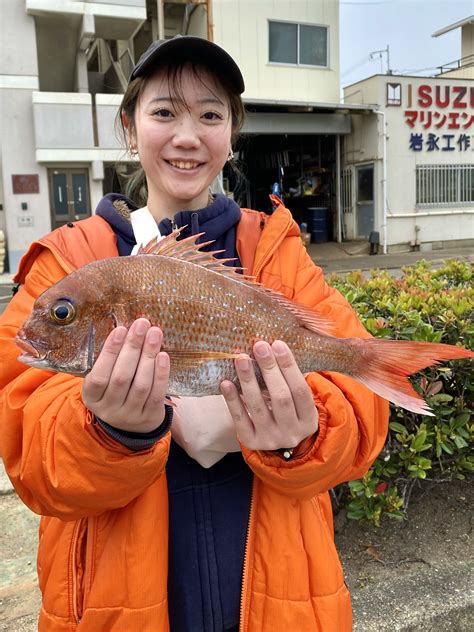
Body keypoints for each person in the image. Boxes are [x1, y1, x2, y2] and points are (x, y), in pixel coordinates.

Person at [0, 36, 388, 632]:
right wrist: (109, 431)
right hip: (121, 605)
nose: (187, 136)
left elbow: (359, 413)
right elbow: (29, 448)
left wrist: (303, 434)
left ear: (232, 132)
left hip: (278, 598)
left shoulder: (280, 255)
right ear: (130, 127)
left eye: (210, 114)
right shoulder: (69, 264)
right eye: (164, 112)